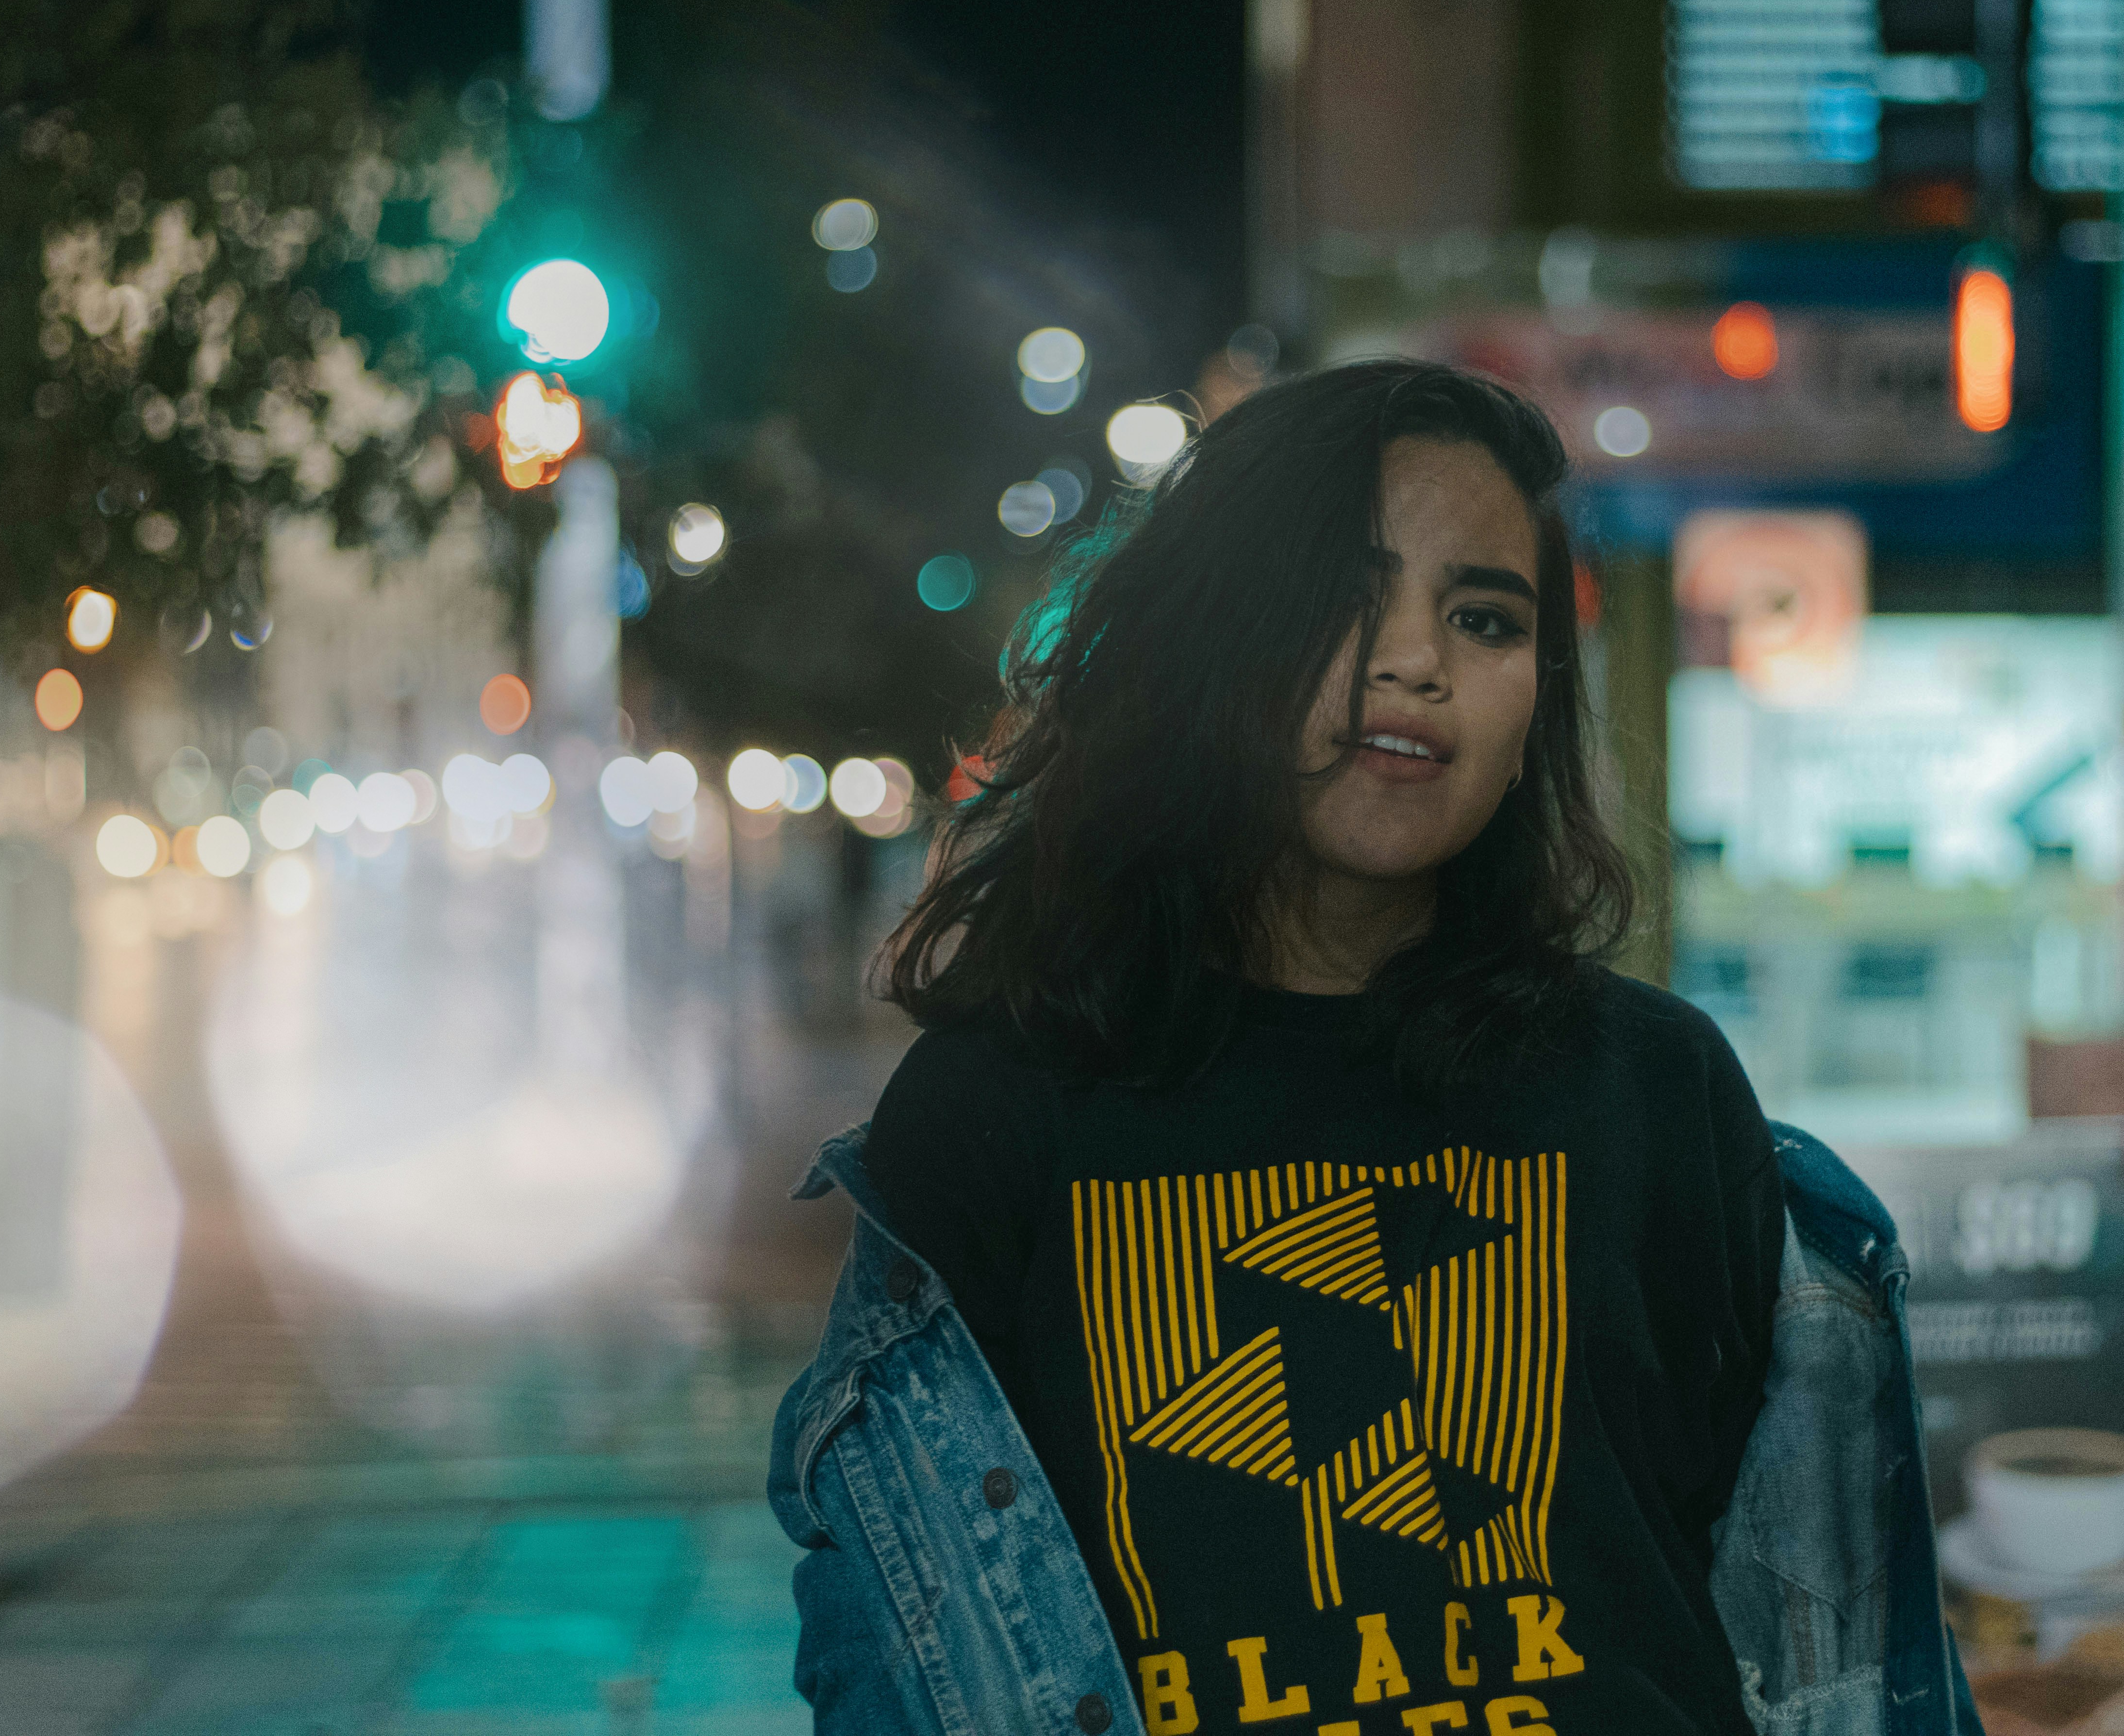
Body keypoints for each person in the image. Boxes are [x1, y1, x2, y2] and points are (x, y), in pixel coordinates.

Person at [768, 360, 1980, 1736]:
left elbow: (1768, 1589)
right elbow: (892, 1622)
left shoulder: (1656, 1085)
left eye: (1485, 617)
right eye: (1348, 598)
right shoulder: (996, 1111)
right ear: (1214, 642)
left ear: (1537, 710)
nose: (1417, 659)